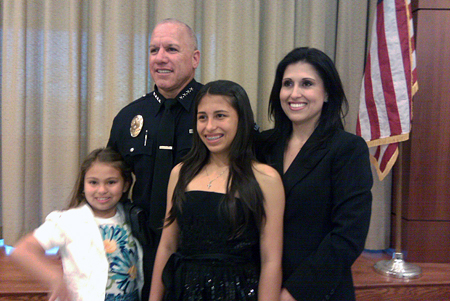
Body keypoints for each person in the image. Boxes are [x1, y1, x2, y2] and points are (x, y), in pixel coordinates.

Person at [149, 80, 285, 301]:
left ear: (241, 120)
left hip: (238, 291)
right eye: (202, 117)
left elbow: (271, 260)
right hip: (184, 290)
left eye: (220, 116)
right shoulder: (180, 173)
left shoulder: (266, 178)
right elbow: (167, 245)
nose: (209, 126)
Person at [256, 47, 373, 301]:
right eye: (287, 84)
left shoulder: (348, 149)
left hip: (318, 291)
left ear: (327, 92)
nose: (294, 93)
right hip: (261, 287)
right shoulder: (262, 146)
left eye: (307, 84)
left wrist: (293, 294)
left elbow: (347, 237)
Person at [107, 18, 202, 299]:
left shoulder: (215, 112)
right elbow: (109, 184)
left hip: (199, 254)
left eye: (171, 49)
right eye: (153, 50)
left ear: (194, 58)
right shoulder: (129, 117)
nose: (160, 58)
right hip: (142, 253)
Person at [11, 147, 144, 301]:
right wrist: (54, 278)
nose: (102, 190)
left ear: (125, 185)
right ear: (83, 184)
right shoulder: (69, 220)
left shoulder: (132, 218)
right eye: (93, 182)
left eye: (111, 182)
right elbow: (22, 250)